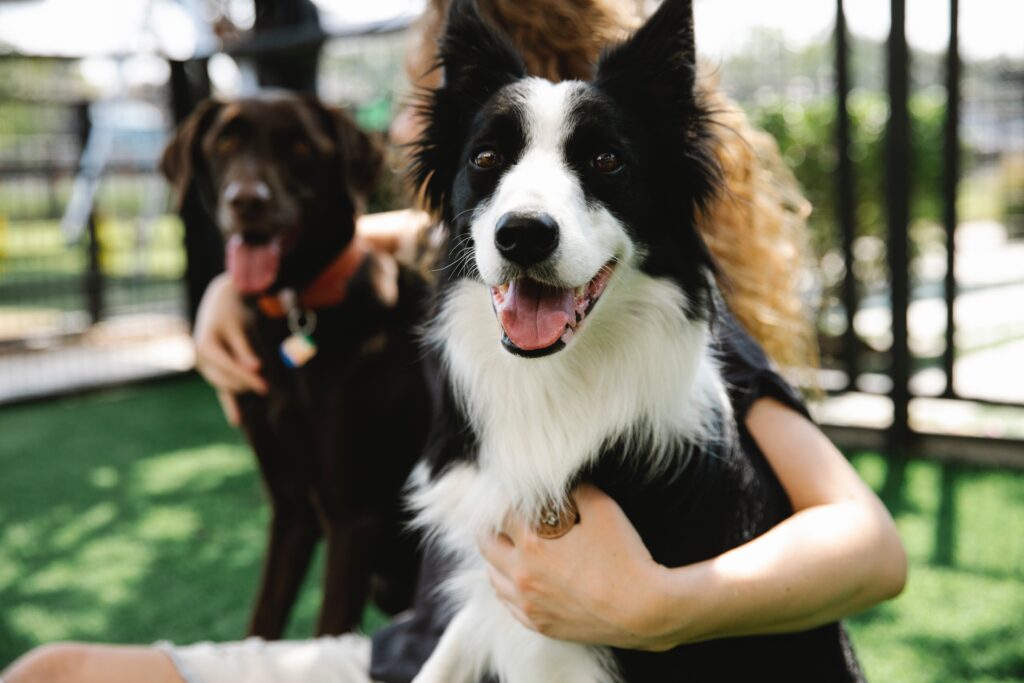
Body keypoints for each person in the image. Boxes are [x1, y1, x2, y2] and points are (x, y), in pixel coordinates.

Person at [1, 1, 905, 681]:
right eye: (485, 156)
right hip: (424, 647)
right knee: (51, 672)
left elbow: (870, 543)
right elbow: (400, 235)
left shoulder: (676, 335)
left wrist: (656, 606)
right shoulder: (467, 257)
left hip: (518, 655)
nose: (402, 117)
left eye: (415, 84)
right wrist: (227, 291)